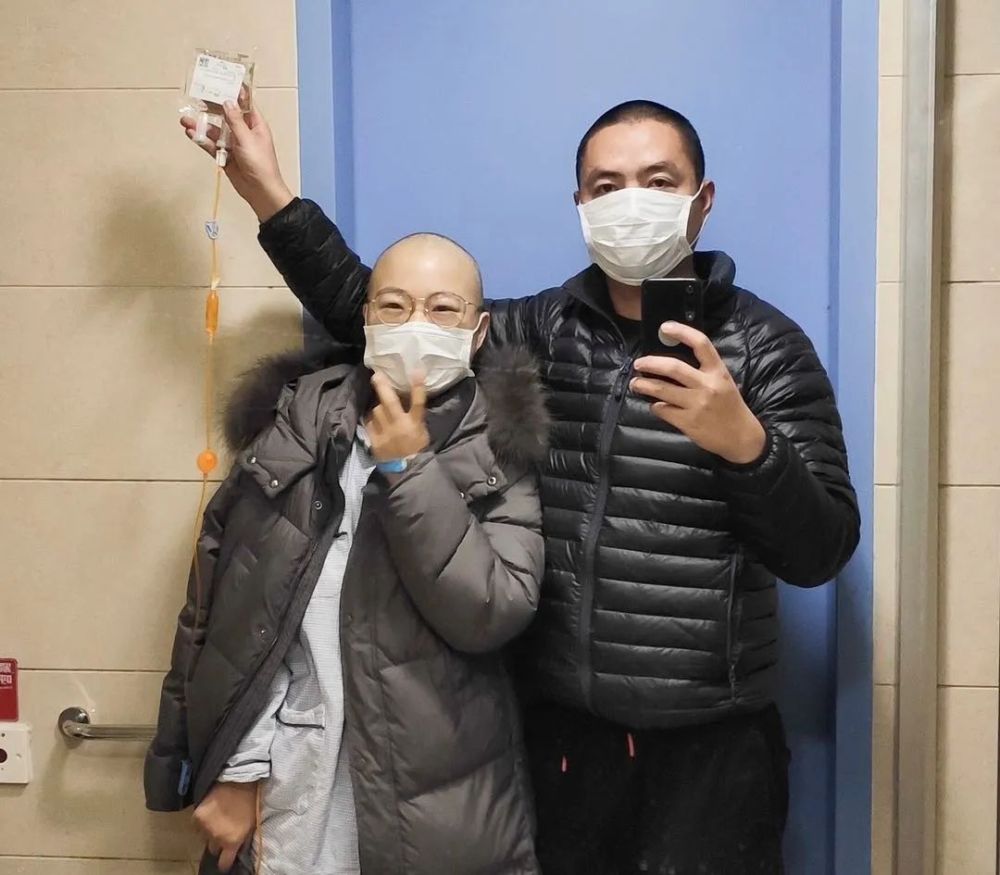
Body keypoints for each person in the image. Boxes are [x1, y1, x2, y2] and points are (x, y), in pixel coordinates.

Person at [183, 97, 860, 874]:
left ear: (701, 201)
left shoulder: (767, 349)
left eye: (657, 181)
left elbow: (822, 549)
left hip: (711, 750)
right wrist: (267, 191)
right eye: (606, 186)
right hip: (561, 742)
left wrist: (746, 443)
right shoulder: (543, 330)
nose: (630, 202)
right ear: (580, 205)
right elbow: (387, 314)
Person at [144, 232, 549, 875]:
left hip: (433, 802)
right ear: (366, 319)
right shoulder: (299, 422)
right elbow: (224, 605)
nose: (415, 325)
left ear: (478, 333)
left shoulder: (502, 451)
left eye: (443, 309)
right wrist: (234, 766)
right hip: (287, 787)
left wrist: (410, 469)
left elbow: (492, 611)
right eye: (394, 305)